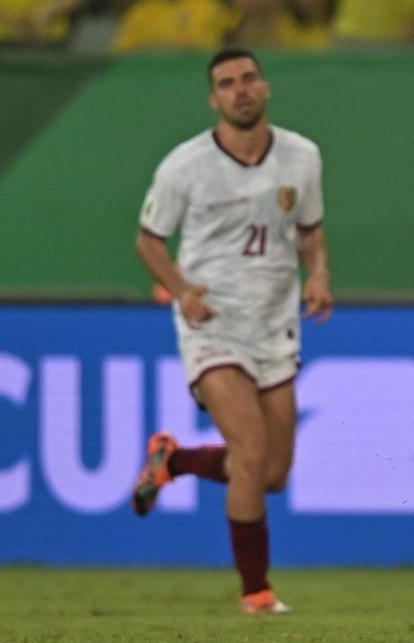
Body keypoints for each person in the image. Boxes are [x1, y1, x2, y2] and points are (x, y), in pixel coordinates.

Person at [131, 48, 333, 614]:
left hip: (274, 323)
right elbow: (148, 240)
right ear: (213, 99)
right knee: (248, 450)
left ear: (265, 87)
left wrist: (319, 274)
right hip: (212, 323)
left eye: (248, 78)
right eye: (226, 83)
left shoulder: (302, 156)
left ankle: (172, 461)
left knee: (272, 473)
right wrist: (179, 289)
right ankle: (256, 592)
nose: (239, 89)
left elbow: (310, 231)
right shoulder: (184, 166)